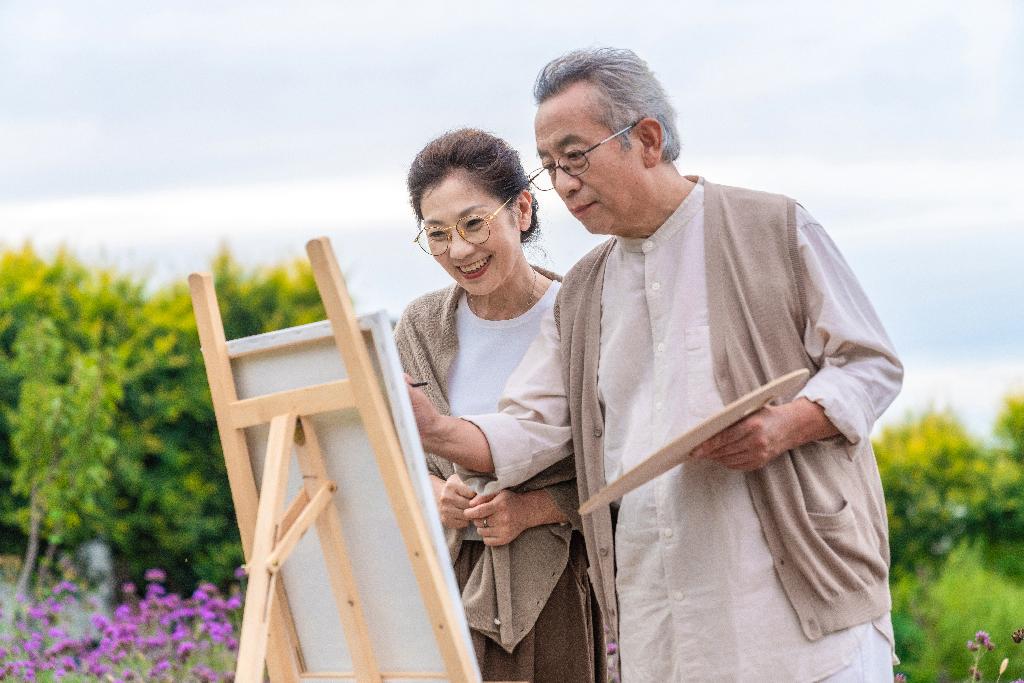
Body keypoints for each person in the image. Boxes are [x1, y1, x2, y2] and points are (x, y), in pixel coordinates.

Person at [407, 49, 903, 681]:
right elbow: (533, 424)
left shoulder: (772, 225)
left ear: (647, 138)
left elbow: (871, 364)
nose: (562, 184)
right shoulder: (585, 289)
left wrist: (788, 425)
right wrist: (432, 427)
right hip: (658, 614)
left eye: (575, 157)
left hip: (797, 607)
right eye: (551, 166)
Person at [394, 128, 604, 682]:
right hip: (438, 585)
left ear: (523, 210)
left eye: (473, 223)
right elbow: (384, 454)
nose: (459, 250)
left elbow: (625, 462)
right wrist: (434, 492)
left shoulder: (579, 317)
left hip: (550, 587)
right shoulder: (419, 326)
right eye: (437, 233)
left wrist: (537, 509)